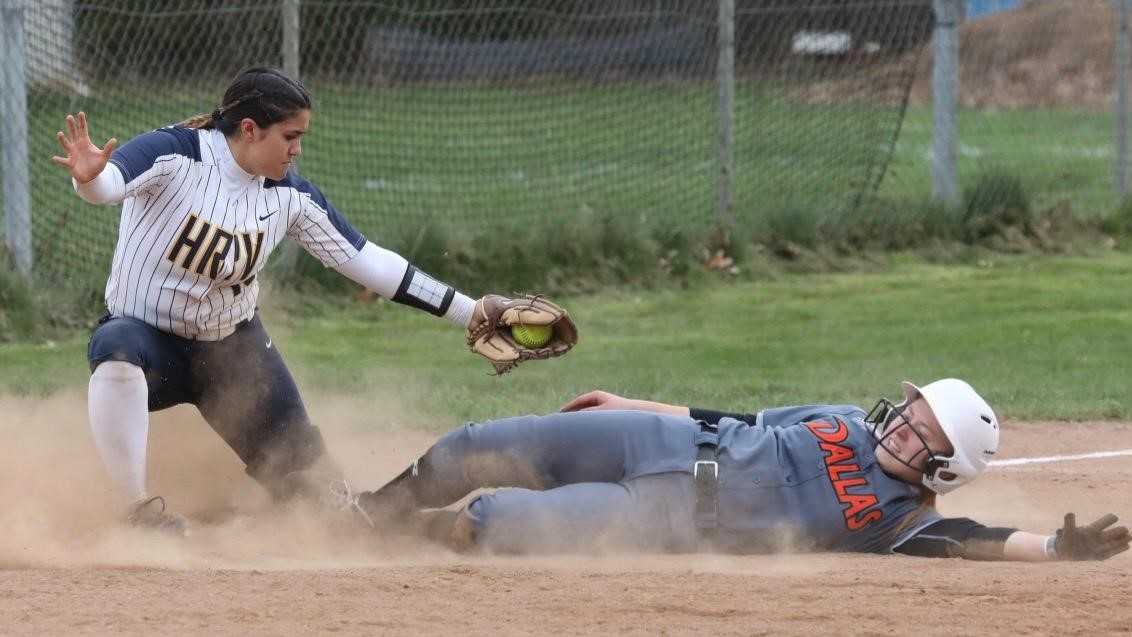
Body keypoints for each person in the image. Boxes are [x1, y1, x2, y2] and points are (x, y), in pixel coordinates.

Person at [51, 66, 574, 535]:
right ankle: (135, 511)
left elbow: (371, 263)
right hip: (150, 342)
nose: (297, 149)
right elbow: (109, 184)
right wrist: (89, 178)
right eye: (290, 136)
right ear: (250, 129)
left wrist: (470, 309)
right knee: (115, 347)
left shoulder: (290, 196)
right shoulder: (176, 153)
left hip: (234, 357)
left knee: (317, 501)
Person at [352, 378, 1130, 561]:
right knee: (473, 443)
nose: (902, 422)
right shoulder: (845, 420)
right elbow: (739, 423)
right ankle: (360, 515)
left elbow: (975, 538)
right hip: (658, 445)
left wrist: (1054, 549)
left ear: (945, 466)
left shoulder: (900, 520)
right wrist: (635, 401)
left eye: (923, 426)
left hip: (674, 519)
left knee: (492, 523)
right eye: (911, 409)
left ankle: (388, 539)